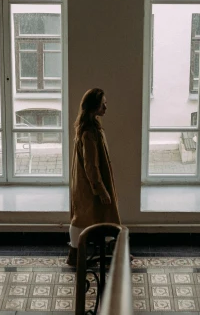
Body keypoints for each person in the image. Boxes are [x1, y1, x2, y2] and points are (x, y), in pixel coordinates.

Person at [67, 88, 121, 266]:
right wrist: (101, 189)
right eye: (102, 104)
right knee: (85, 216)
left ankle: (81, 253)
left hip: (86, 183)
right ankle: (76, 254)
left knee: (88, 215)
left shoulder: (90, 127)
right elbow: (91, 165)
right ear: (94, 106)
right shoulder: (89, 132)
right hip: (89, 183)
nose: (106, 107)